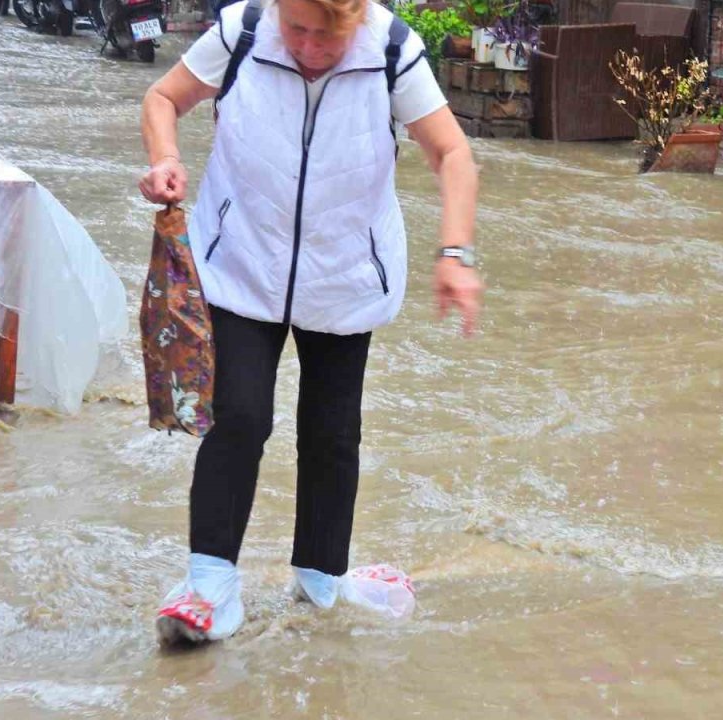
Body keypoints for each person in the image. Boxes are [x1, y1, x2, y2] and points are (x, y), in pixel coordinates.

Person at [139, 0, 481, 644]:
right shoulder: (243, 28)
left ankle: (322, 579)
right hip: (239, 262)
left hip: (346, 273)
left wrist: (455, 253)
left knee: (332, 433)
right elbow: (164, 97)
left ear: (354, 20)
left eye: (325, 34)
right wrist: (163, 159)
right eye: (295, 28)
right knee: (240, 416)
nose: (307, 45)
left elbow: (451, 152)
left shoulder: (390, 48)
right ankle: (209, 584)